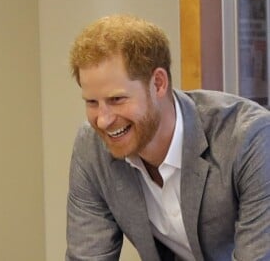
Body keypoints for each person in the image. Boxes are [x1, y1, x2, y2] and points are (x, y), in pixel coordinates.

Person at [66, 14, 270, 261]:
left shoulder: (249, 138)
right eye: (92, 102)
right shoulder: (92, 148)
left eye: (116, 99)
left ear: (159, 84)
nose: (103, 120)